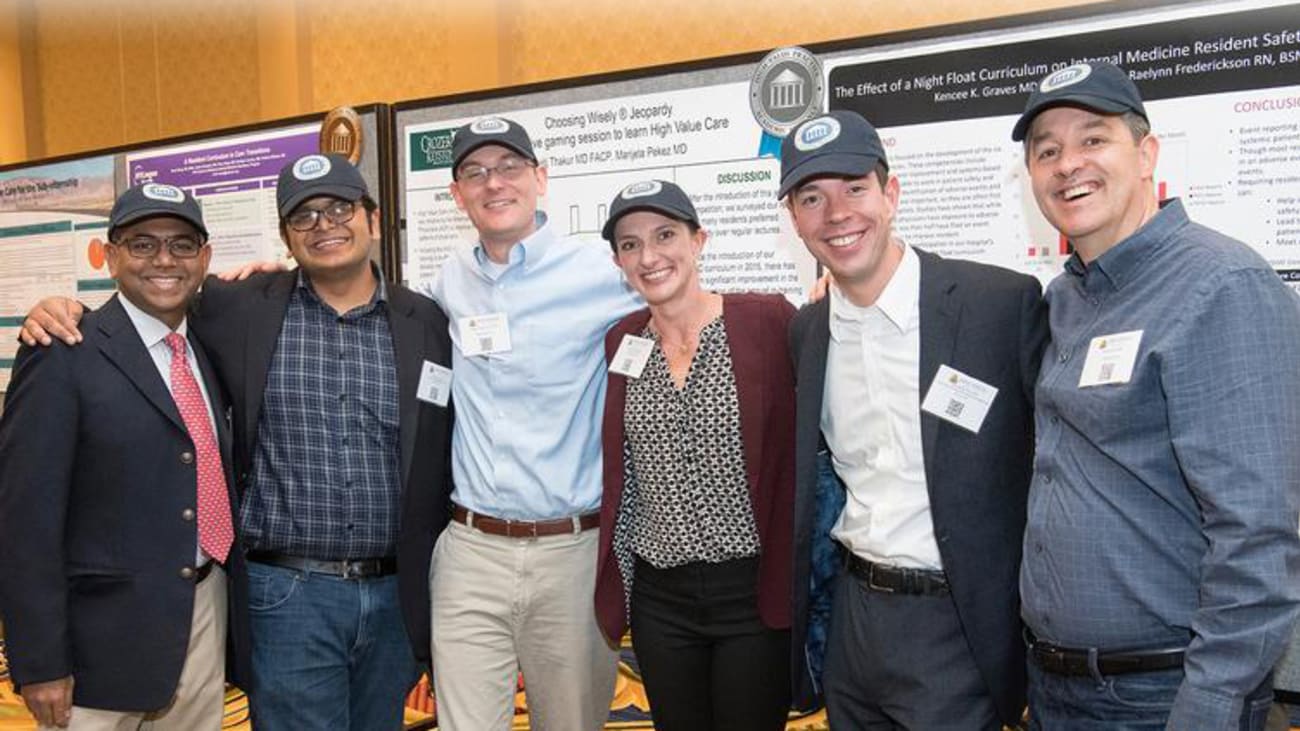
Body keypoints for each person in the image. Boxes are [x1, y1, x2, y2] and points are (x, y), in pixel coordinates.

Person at [18, 153, 454, 730]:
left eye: (340, 208)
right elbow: (136, 311)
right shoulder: (239, 307)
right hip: (286, 595)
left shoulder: (426, 321)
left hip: (395, 597)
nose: (324, 225)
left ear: (373, 220)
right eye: (304, 217)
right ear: (286, 237)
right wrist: (58, 308)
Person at [1013, 60, 1300, 730]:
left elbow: (1258, 535)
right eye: (1046, 150)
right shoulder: (1066, 298)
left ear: (1146, 154)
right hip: (1056, 688)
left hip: (1160, 697)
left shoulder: (1223, 286)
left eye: (1093, 139)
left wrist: (1210, 708)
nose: (1067, 164)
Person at [783, 110, 1047, 729]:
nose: (837, 214)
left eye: (855, 188)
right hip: (854, 621)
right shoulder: (808, 332)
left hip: (957, 620)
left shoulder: (997, 306)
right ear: (795, 221)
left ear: (891, 194)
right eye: (812, 198)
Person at [416, 116, 639, 730]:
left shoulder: (603, 271)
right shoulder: (446, 282)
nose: (494, 184)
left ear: (540, 178)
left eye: (509, 167)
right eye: (475, 173)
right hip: (469, 553)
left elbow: (688, 303)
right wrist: (277, 277)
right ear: (457, 194)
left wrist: (826, 287)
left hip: (571, 553)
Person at [0, 184, 248, 730]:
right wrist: (39, 662)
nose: (164, 260)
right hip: (97, 652)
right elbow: (25, 522)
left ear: (205, 258)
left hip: (205, 612)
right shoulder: (62, 351)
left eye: (183, 245)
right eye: (142, 244)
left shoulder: (209, 344)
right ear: (109, 256)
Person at [593, 180, 794, 730]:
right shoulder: (622, 342)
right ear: (618, 260)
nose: (649, 256)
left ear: (698, 240)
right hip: (662, 600)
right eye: (630, 245)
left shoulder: (766, 321)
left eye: (664, 236)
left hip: (751, 594)